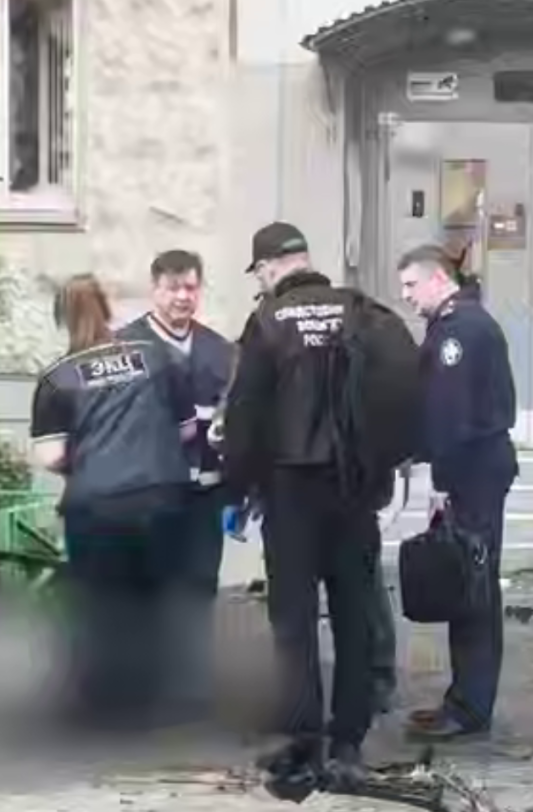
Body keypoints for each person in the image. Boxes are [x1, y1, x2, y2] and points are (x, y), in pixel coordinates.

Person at [222, 222, 419, 789]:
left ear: (267, 268)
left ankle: (302, 744)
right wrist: (382, 464)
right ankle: (349, 739)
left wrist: (237, 488)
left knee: (294, 621)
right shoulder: (363, 312)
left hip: (289, 491)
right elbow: (407, 389)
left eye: (259, 273)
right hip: (353, 491)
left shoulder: (266, 321)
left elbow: (245, 414)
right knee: (355, 614)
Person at [29, 274, 196, 731]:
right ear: (107, 309)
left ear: (63, 319)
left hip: (97, 507)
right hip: (161, 497)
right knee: (156, 599)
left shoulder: (58, 376)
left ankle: (108, 706)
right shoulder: (155, 356)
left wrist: (90, 462)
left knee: (101, 604)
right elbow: (186, 430)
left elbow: (51, 455)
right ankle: (161, 702)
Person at [397, 244, 519, 739]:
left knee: (473, 587)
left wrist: (441, 482)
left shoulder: (460, 331)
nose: (406, 296)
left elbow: (451, 414)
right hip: (477, 468)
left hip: (473, 472)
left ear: (438, 279)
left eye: (411, 285)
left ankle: (469, 708)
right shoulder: (460, 323)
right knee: (466, 583)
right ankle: (464, 699)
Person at [117, 249, 235, 720]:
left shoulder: (220, 350)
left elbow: (234, 415)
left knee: (200, 584)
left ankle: (191, 686)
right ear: (155, 290)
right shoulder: (125, 349)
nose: (183, 297)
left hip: (205, 492)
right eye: (173, 288)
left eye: (191, 287)